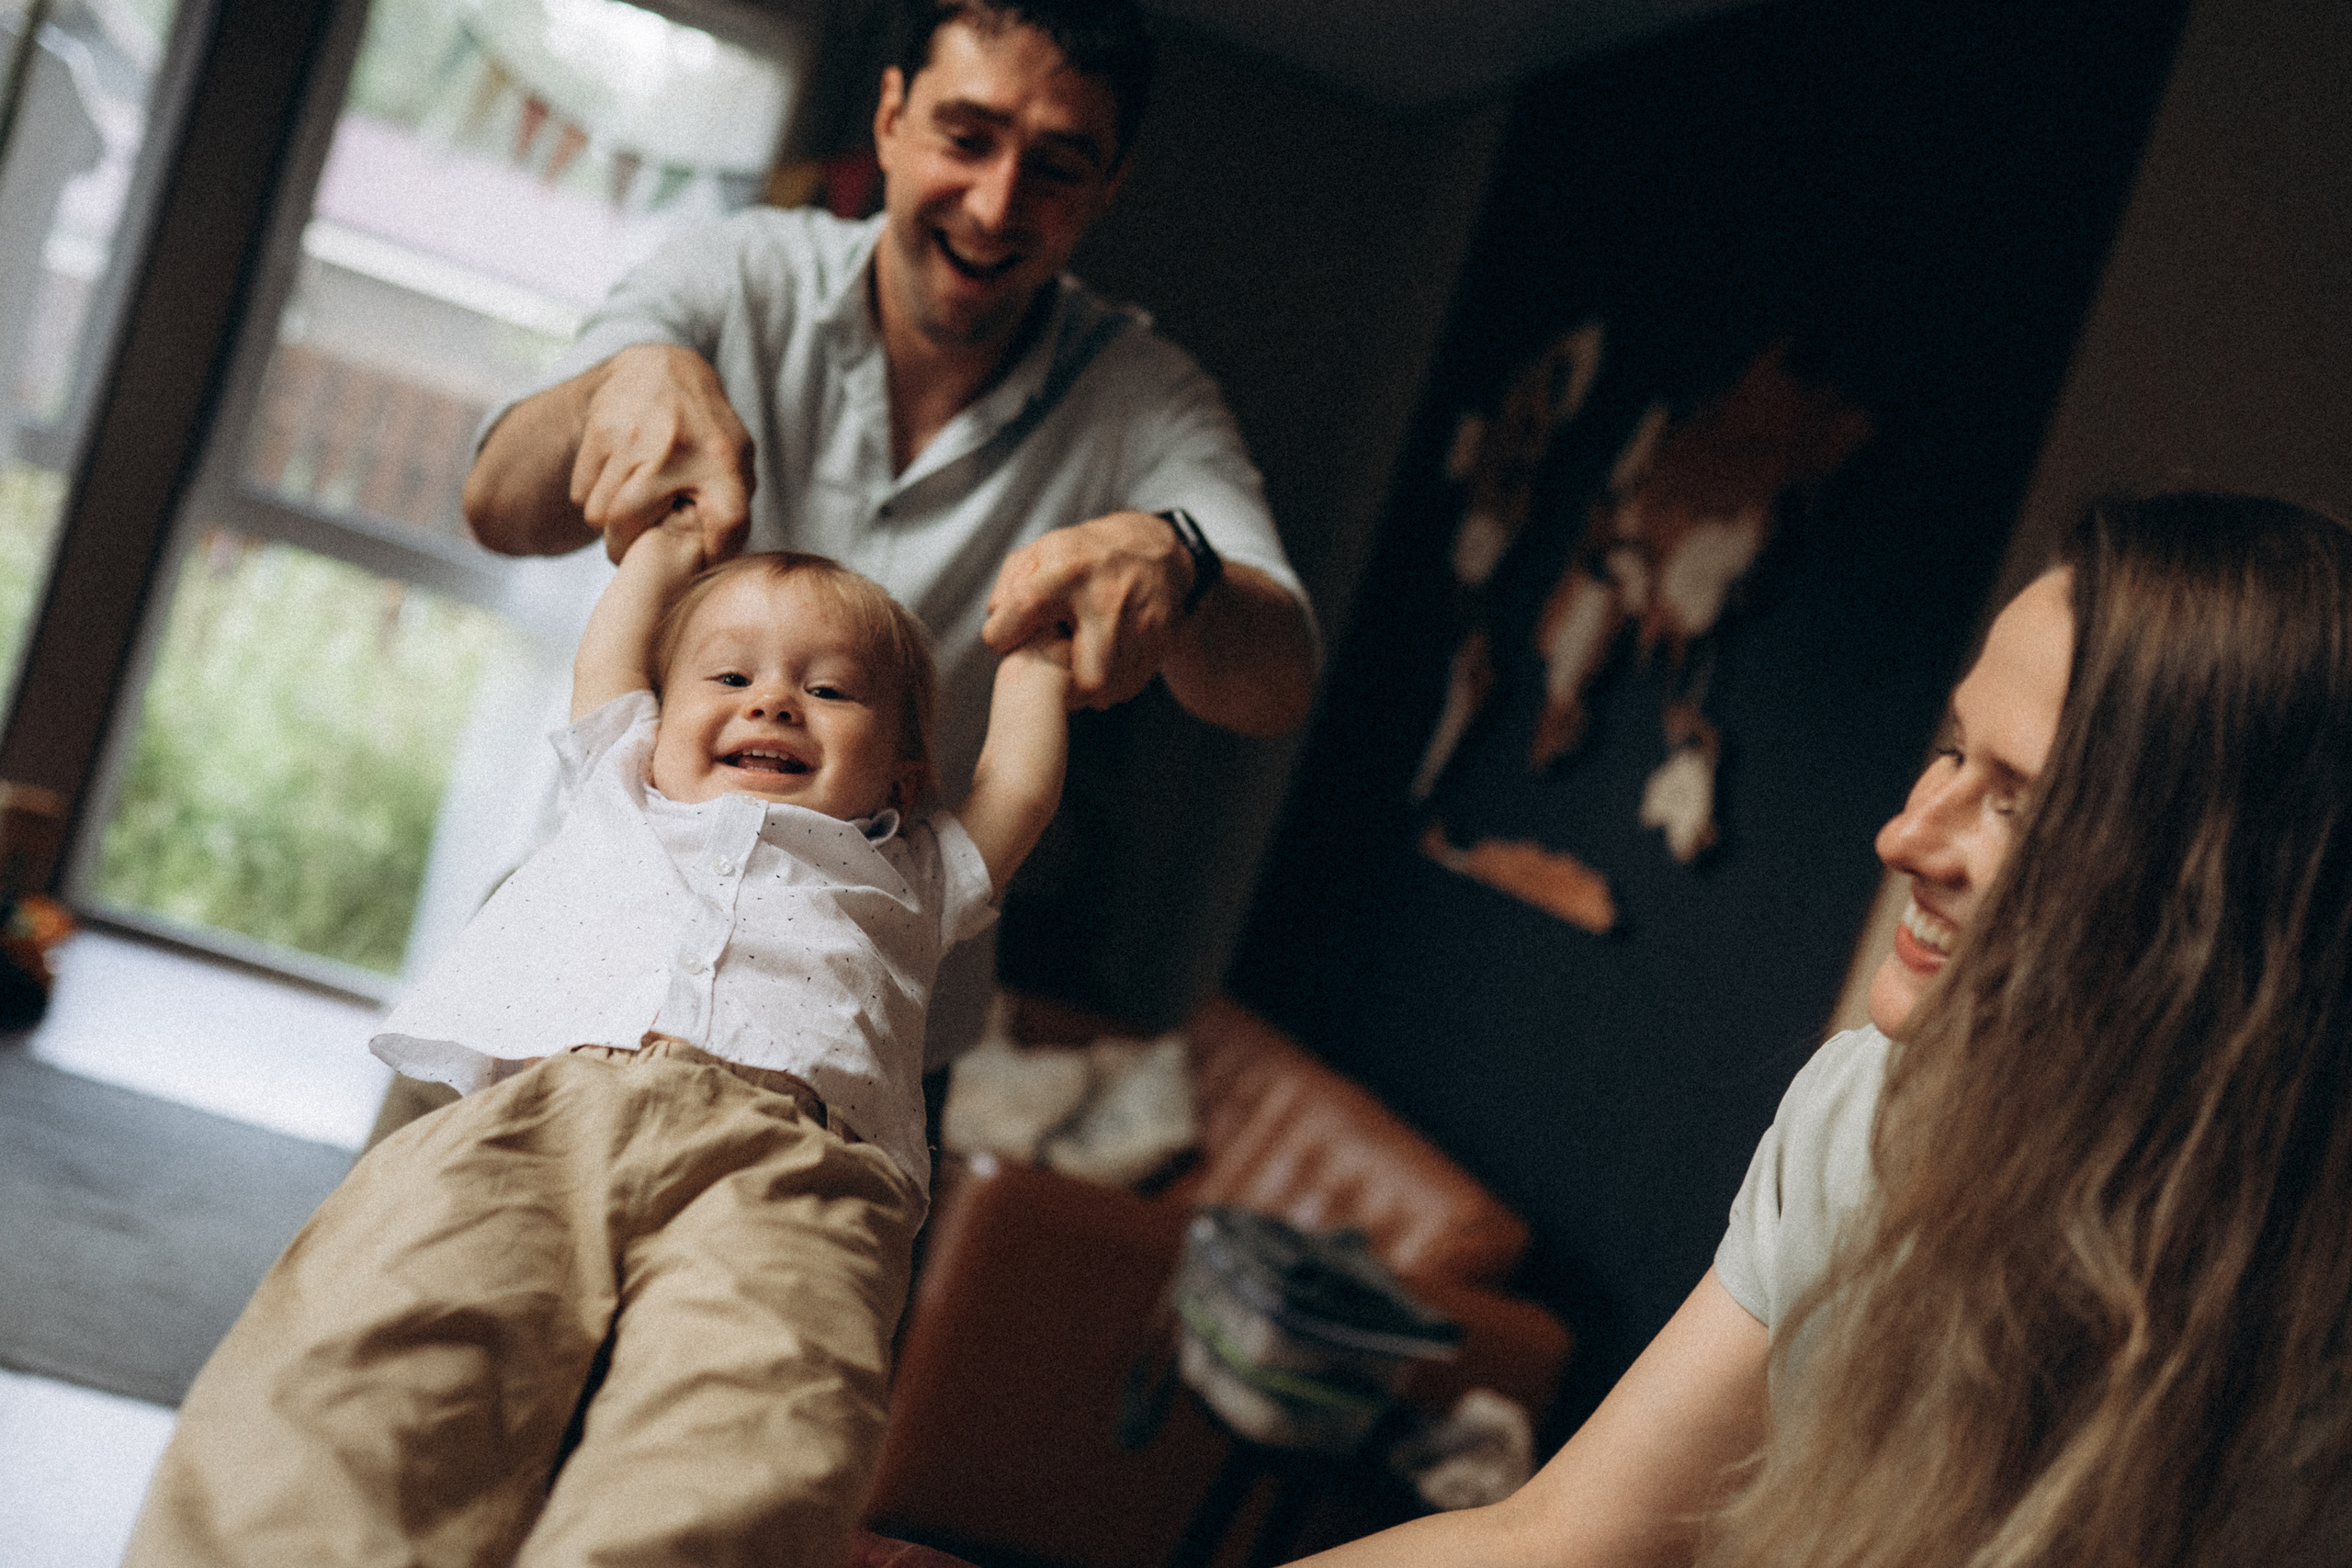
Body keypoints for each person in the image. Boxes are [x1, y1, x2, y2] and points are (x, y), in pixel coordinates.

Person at [1292, 492, 2352, 1568]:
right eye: (1950, 751)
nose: (1904, 836)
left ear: (2221, 906)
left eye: (2021, 804)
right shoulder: (1866, 1114)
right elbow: (1561, 1535)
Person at [123, 511, 1076, 1567]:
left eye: (830, 690)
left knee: (749, 1429)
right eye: (727, 678)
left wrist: (1037, 655)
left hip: (797, 1166)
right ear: (655, 724)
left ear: (901, 777)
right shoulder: (619, 788)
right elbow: (612, 654)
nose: (772, 699)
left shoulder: (915, 876)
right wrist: (663, 548)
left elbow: (1019, 788)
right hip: (539, 1111)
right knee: (369, 1345)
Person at [458, 0, 1319, 1066]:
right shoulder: (734, 271)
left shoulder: (1147, 397)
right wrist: (617, 382)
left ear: (1111, 186)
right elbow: (499, 506)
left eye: (1056, 165)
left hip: (861, 1054)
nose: (997, 204)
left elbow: (1277, 680)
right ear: (891, 119)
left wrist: (1182, 565)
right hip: (566, 981)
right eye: (967, 137)